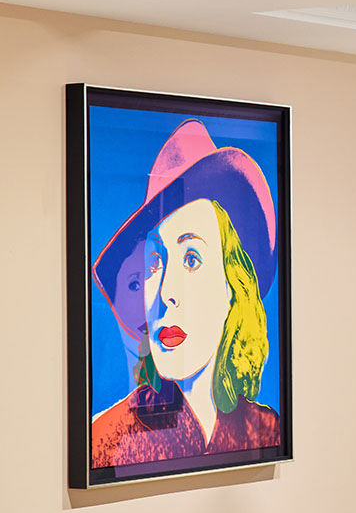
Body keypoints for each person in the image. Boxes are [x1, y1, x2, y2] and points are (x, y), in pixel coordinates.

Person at [91, 119, 280, 468]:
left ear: (232, 288)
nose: (166, 293)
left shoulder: (267, 432)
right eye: (153, 263)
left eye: (191, 259)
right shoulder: (106, 441)